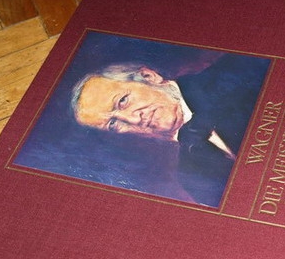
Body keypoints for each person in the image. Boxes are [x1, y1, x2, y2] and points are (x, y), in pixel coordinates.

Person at [70, 53, 270, 207]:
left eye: (122, 101)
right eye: (113, 124)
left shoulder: (240, 69)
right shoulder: (190, 176)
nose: (133, 119)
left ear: (149, 77)